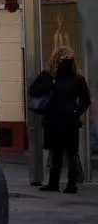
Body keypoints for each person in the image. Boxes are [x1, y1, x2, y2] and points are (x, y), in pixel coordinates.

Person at [29, 45, 90, 193]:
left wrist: (76, 111)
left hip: (69, 120)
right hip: (53, 119)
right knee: (55, 152)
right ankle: (53, 183)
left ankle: (71, 184)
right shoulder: (48, 75)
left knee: (71, 152)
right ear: (57, 59)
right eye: (64, 58)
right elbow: (33, 90)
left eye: (69, 58)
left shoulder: (77, 77)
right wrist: (47, 87)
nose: (67, 61)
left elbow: (85, 100)